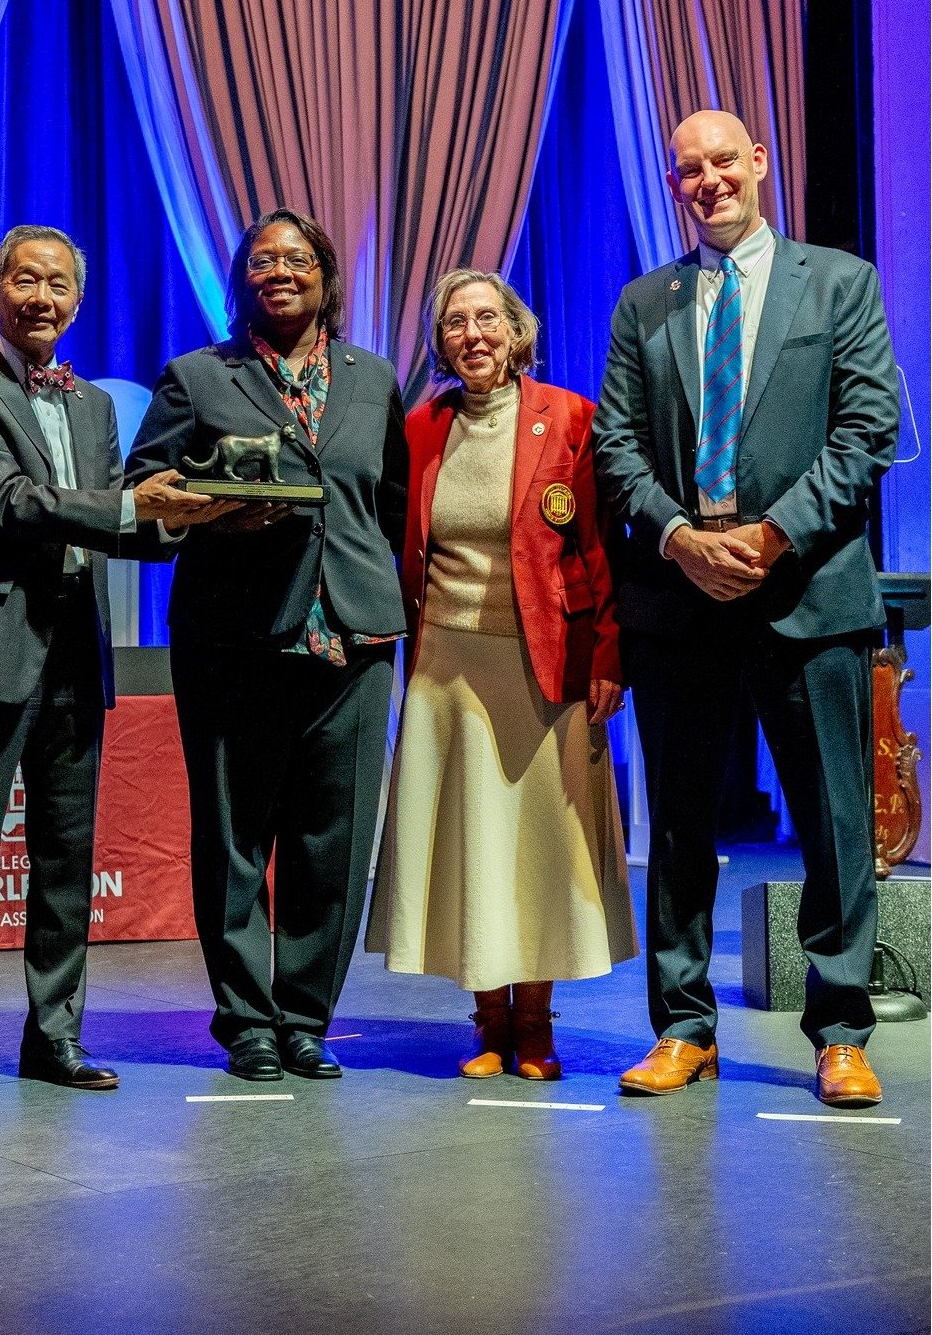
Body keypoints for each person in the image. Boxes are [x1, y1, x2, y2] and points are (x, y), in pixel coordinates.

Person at [594, 109, 900, 1107]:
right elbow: (615, 448)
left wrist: (767, 538)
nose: (707, 178)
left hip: (806, 585)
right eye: (687, 167)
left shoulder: (839, 280)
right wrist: (684, 540)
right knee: (680, 823)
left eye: (723, 159)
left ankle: (841, 1027)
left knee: (833, 819)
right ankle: (683, 1027)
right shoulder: (645, 299)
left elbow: (868, 427)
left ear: (760, 162)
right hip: (681, 593)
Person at [0, 225, 229, 1104]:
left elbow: (125, 524)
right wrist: (136, 507)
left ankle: (54, 1036)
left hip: (73, 655)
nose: (41, 298)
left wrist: (204, 520)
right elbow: (9, 505)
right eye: (26, 280)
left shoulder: (94, 406)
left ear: (77, 303)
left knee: (66, 857)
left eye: (58, 285)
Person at [126, 208, 408, 1083]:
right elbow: (143, 494)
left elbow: (387, 504)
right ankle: (247, 1020)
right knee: (234, 839)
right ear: (242, 280)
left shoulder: (373, 379)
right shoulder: (197, 377)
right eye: (260, 261)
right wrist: (206, 510)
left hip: (352, 638)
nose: (277, 272)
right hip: (233, 639)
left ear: (325, 277)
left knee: (334, 842)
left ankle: (305, 1018)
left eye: (294, 259)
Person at [366, 270, 636, 1078]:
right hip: (446, 667)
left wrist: (609, 657)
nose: (473, 334)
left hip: (545, 661)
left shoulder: (569, 418)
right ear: (440, 342)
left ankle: (534, 1026)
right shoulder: (418, 428)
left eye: (488, 318)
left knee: (538, 849)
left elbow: (600, 550)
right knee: (467, 844)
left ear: (517, 332)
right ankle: (485, 1023)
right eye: (455, 323)